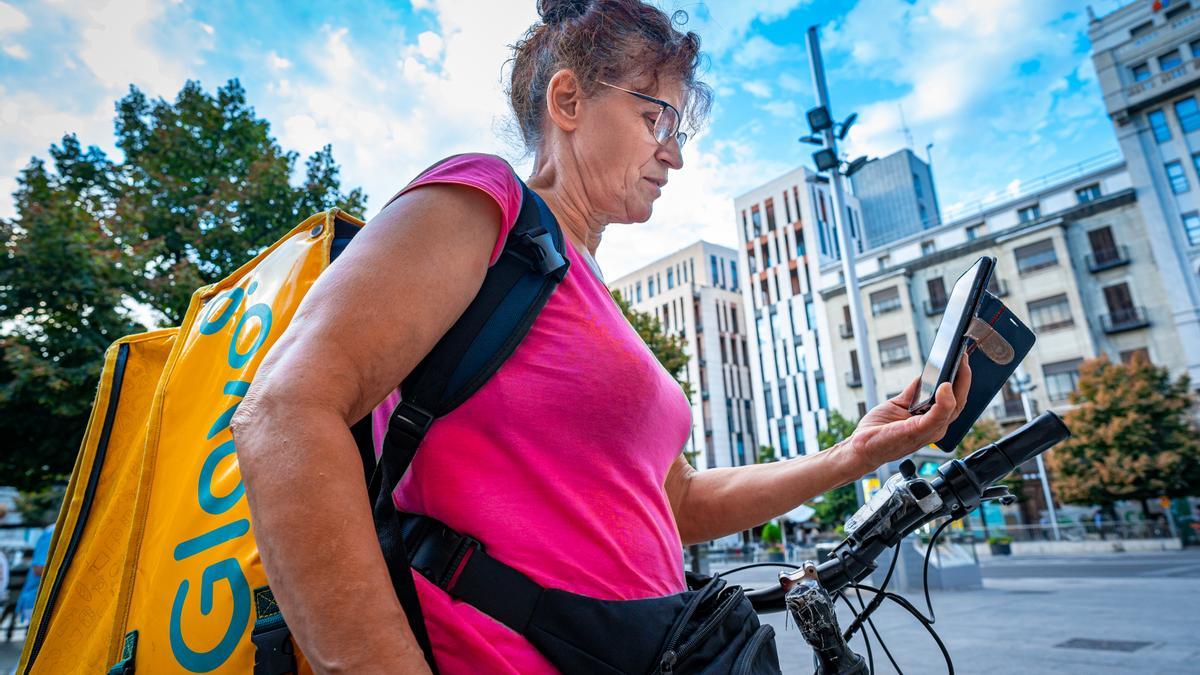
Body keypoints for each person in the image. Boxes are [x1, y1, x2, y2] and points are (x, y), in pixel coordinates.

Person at [230, 1, 972, 673]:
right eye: (657, 119)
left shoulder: (596, 300)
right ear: (569, 100)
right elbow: (286, 409)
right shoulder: (487, 203)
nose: (673, 154)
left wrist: (851, 456)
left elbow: (674, 502)